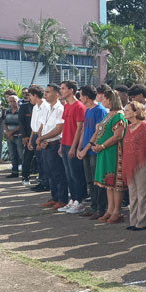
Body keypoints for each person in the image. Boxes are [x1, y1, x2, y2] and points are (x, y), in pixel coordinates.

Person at [91, 90, 128, 224]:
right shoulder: (109, 114)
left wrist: (102, 146)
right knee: (108, 184)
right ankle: (110, 209)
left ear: (111, 100)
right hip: (104, 152)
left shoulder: (119, 116)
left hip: (113, 152)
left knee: (115, 182)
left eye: (104, 98)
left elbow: (118, 136)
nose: (101, 100)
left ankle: (117, 211)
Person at [76, 85, 109, 219]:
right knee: (90, 180)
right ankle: (94, 206)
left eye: (81, 95)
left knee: (98, 181)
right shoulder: (87, 110)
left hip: (94, 150)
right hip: (86, 150)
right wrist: (80, 147)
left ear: (86, 96)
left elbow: (98, 132)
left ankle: (101, 208)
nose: (80, 98)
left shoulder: (99, 110)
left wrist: (86, 148)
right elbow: (84, 129)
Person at [122, 101, 146, 231]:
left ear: (136, 112)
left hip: (143, 163)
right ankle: (133, 220)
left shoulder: (145, 126)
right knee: (133, 193)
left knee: (143, 193)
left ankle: (142, 222)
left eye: (128, 110)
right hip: (130, 163)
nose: (125, 112)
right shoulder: (128, 127)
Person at [58, 81, 87, 215]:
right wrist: (61, 144)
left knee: (76, 174)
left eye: (63, 88)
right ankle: (73, 199)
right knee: (68, 174)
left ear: (71, 90)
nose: (61, 91)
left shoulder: (79, 106)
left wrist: (73, 147)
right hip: (65, 143)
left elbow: (80, 128)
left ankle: (79, 201)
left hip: (72, 145)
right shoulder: (67, 106)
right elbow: (65, 126)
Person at [37, 84, 68, 210]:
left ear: (57, 94)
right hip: (45, 144)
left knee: (58, 173)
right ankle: (54, 197)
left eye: (48, 92)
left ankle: (62, 199)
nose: (45, 94)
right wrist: (40, 139)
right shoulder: (46, 108)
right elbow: (42, 126)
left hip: (55, 144)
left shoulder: (60, 109)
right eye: (45, 92)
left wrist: (42, 138)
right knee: (49, 173)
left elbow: (58, 129)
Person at [27, 86, 50, 192]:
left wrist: (40, 138)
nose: (29, 98)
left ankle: (46, 182)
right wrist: (31, 139)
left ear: (35, 95)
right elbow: (34, 125)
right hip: (35, 134)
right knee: (39, 160)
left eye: (30, 95)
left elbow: (42, 124)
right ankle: (42, 181)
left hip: (42, 135)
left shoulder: (45, 106)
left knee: (44, 161)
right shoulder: (35, 106)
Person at [18, 89, 35, 184]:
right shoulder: (24, 107)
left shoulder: (41, 106)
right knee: (27, 157)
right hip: (28, 136)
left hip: (39, 136)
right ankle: (25, 177)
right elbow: (21, 122)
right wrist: (24, 136)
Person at [3, 95, 22, 178]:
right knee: (13, 154)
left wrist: (11, 132)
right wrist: (8, 132)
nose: (12, 103)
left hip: (19, 135)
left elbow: (21, 124)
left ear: (17, 101)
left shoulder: (21, 110)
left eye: (14, 101)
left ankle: (25, 172)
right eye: (10, 101)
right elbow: (5, 123)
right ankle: (14, 172)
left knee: (21, 154)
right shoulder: (7, 111)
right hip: (9, 136)